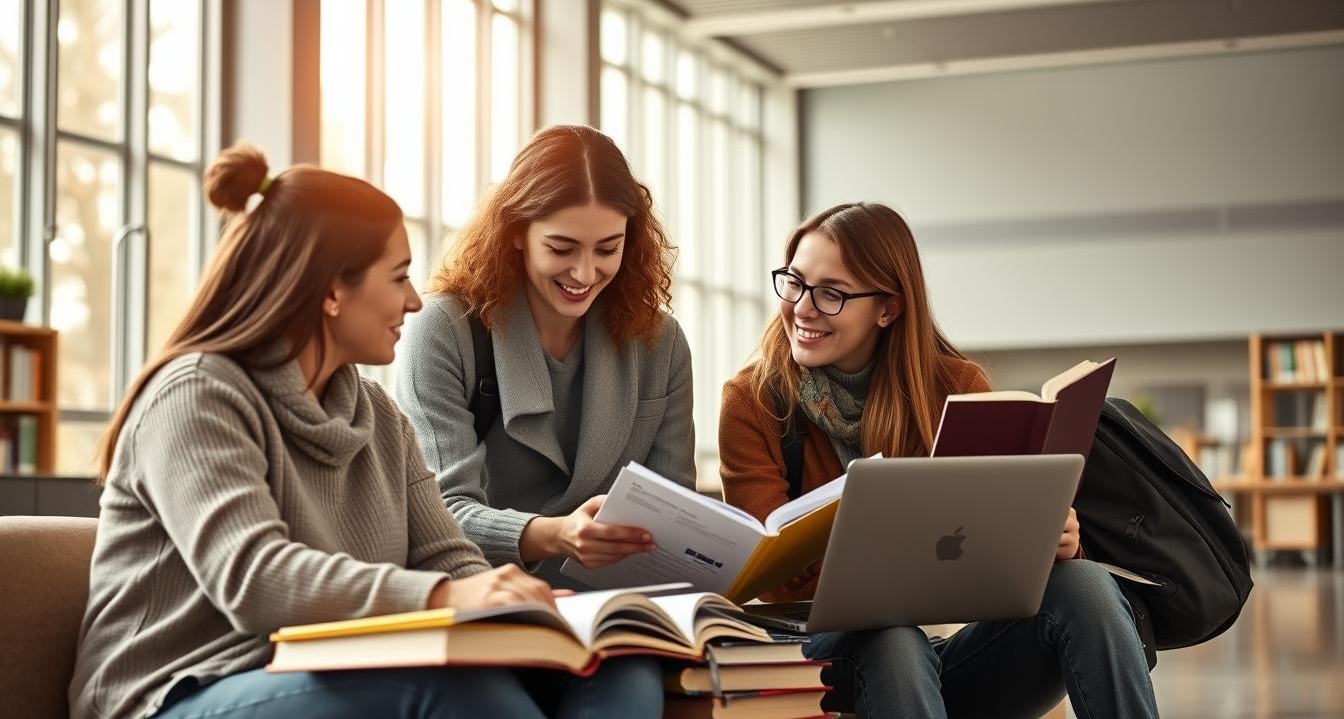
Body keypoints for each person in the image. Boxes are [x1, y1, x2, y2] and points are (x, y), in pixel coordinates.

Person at [68, 144, 628, 719]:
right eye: (399, 277)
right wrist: (445, 598)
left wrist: (533, 617)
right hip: (180, 689)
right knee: (459, 695)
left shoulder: (379, 417)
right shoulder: (196, 395)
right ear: (333, 290)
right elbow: (254, 577)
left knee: (614, 669)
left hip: (334, 669)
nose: (414, 302)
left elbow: (446, 557)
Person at [718, 202, 1159, 719]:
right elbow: (767, 578)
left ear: (887, 308)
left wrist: (1045, 542)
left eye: (831, 294)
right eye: (794, 283)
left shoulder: (954, 387)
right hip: (819, 660)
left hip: (930, 663)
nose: (802, 308)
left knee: (1085, 587)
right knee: (892, 637)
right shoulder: (753, 401)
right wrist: (869, 550)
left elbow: (982, 560)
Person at [396, 124, 691, 715]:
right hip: (484, 611)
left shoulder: (660, 344)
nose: (585, 272)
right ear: (515, 234)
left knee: (632, 692)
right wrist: (551, 534)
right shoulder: (447, 330)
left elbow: (673, 506)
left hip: (610, 623)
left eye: (608, 248)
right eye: (562, 248)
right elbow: (439, 514)